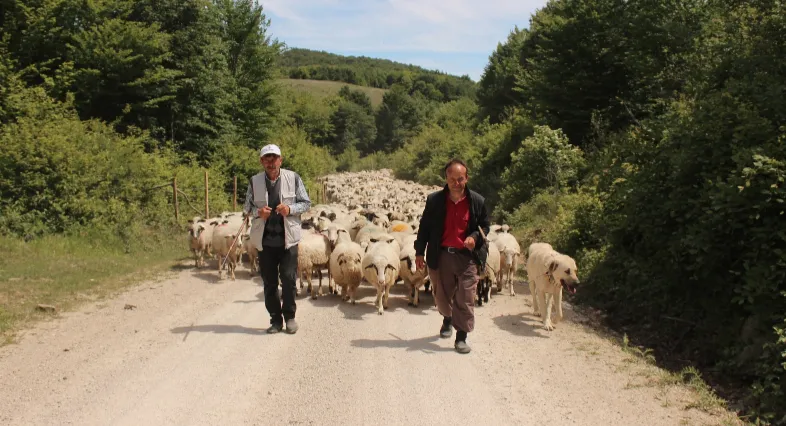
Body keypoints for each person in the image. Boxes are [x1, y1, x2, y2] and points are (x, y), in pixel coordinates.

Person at [414, 159, 490, 354]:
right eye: (452, 179)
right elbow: (424, 228)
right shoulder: (435, 201)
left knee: (465, 297)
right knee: (442, 297)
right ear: (446, 179)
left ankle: (461, 336)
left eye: (460, 179)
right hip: (441, 255)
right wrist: (419, 251)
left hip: (467, 257)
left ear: (467, 178)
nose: (456, 183)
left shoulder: (477, 201)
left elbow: (484, 226)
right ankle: (447, 318)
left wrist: (474, 237)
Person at [243, 144, 311, 334]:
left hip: (288, 239)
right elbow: (246, 208)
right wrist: (258, 212)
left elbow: (306, 203)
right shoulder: (254, 181)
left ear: (281, 160)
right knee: (269, 282)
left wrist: (290, 209)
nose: (271, 163)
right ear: (261, 161)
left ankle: (290, 318)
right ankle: (275, 320)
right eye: (267, 159)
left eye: (274, 158)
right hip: (265, 241)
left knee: (289, 279)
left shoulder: (294, 178)